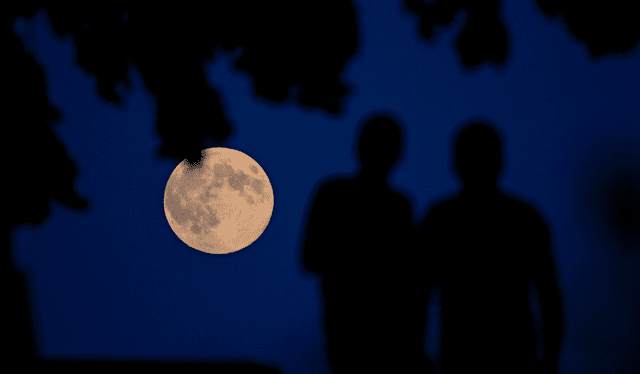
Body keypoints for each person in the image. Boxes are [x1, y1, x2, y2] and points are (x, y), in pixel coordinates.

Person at [417, 121, 563, 373]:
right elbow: (549, 297)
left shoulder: (440, 218)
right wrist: (549, 359)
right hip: (512, 354)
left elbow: (419, 293)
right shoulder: (525, 218)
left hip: (461, 354)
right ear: (500, 162)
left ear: (455, 163)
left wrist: (417, 350)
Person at [300, 112, 429, 373]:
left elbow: (412, 276)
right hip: (357, 328)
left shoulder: (396, 205)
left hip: (372, 329)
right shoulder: (395, 205)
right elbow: (310, 258)